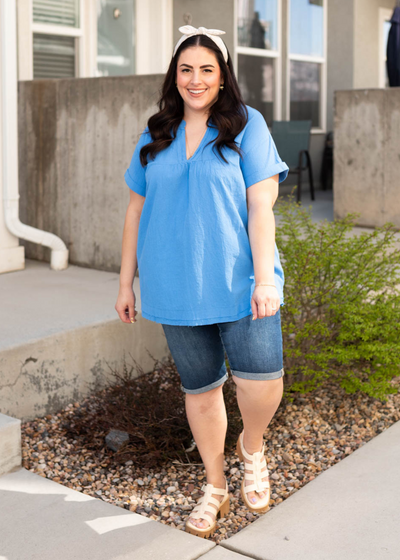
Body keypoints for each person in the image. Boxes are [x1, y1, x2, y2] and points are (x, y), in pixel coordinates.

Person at [115, 25, 289, 539]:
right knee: (202, 390)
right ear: (175, 75)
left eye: (206, 70)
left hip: (241, 282)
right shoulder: (156, 134)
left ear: (222, 76)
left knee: (262, 383)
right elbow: (134, 211)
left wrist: (264, 278)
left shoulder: (247, 125)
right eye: (186, 69)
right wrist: (126, 284)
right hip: (174, 286)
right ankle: (215, 485)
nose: (195, 79)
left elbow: (261, 207)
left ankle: (251, 446)